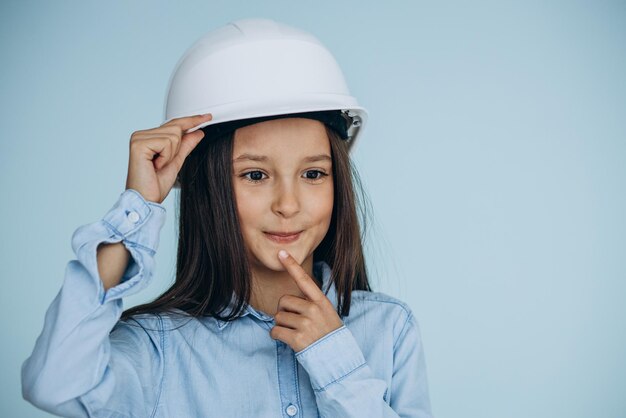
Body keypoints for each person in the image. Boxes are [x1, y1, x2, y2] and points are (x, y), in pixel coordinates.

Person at [21, 18, 433, 417]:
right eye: (255, 175)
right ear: (209, 189)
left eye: (313, 174)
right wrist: (138, 205)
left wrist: (334, 361)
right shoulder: (158, 347)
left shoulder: (388, 328)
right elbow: (55, 384)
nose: (288, 205)